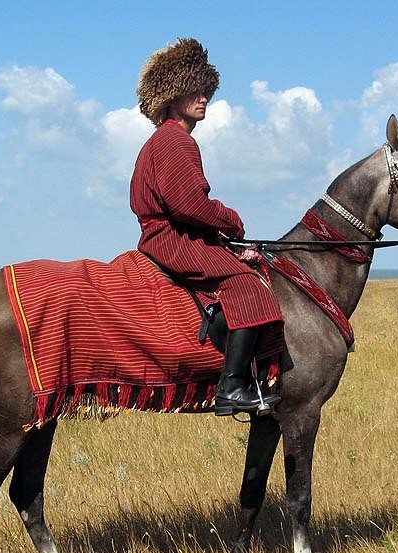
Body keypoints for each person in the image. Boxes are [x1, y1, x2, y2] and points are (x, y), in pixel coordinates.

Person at [130, 38, 283, 416]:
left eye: (205, 91)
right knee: (248, 286)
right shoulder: (174, 140)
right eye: (194, 91)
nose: (204, 98)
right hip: (174, 239)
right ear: (172, 95)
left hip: (177, 234)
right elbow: (188, 205)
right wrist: (231, 221)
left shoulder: (166, 140)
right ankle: (231, 388)